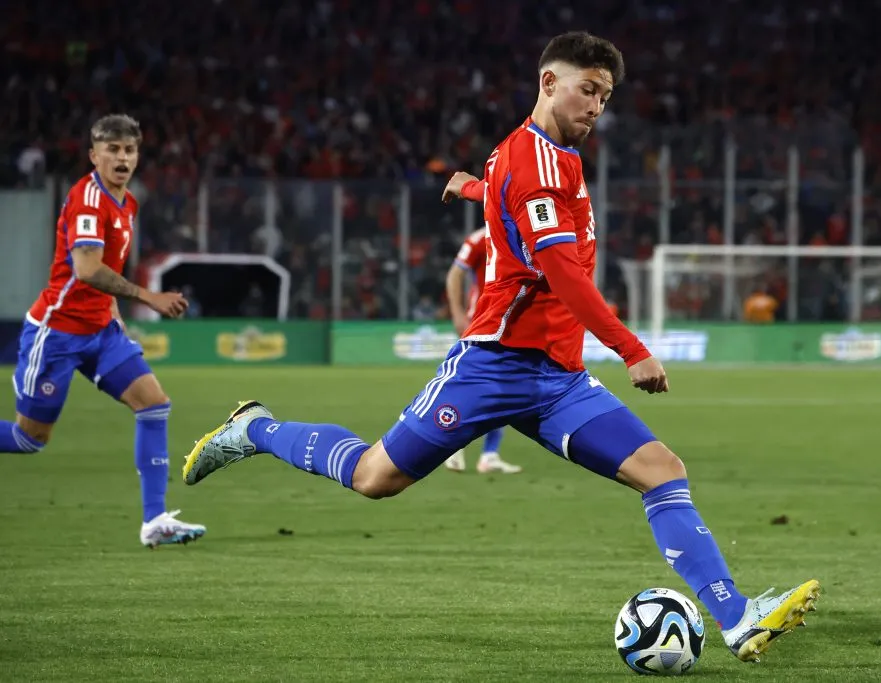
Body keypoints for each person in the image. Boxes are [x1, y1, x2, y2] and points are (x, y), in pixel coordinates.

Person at [182, 32, 818, 663]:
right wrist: (630, 349)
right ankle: (255, 429)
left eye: (605, 96)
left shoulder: (548, 157)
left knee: (662, 471)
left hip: (558, 378)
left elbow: (510, 200)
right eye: (588, 90)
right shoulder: (537, 161)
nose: (597, 106)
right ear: (549, 83)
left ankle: (737, 617)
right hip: (493, 364)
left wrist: (472, 189)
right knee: (375, 477)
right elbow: (562, 272)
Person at [1, 114, 206, 548]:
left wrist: (112, 309)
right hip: (57, 332)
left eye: (129, 150)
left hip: (100, 331)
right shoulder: (88, 199)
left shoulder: (127, 203)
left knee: (154, 404)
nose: (122, 157)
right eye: (112, 149)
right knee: (28, 439)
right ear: (94, 156)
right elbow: (87, 268)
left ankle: (155, 521)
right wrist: (147, 296)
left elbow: (105, 269)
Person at [443, 227, 521, 474]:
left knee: (503, 386)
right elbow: (455, 274)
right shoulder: (479, 238)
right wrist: (457, 313)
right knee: (476, 384)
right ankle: (453, 445)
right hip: (482, 321)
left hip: (511, 322)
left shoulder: (523, 231)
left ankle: (488, 454)